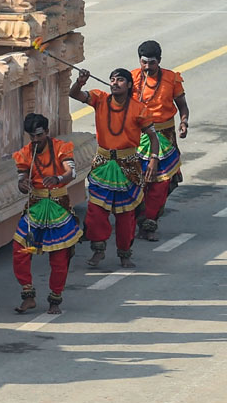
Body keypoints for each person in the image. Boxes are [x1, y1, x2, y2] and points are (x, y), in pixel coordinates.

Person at [69, 67, 162, 268]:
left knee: (126, 214)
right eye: (112, 79)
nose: (115, 83)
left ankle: (125, 254)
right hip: (102, 164)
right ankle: (98, 250)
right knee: (96, 211)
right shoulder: (99, 99)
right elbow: (74, 94)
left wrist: (153, 159)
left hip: (127, 166)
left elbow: (153, 138)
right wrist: (80, 82)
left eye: (120, 80)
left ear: (129, 85)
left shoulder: (139, 109)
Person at [11, 114, 81, 315]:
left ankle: (55, 299)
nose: (35, 140)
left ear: (47, 132)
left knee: (59, 256)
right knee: (20, 249)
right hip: (35, 207)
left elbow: (71, 173)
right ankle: (28, 294)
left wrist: (58, 177)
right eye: (31, 136)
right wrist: (22, 184)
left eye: (39, 135)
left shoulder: (61, 148)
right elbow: (22, 180)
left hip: (59, 207)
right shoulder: (25, 153)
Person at [131, 41, 188, 241]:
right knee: (137, 182)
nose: (147, 67)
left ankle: (150, 223)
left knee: (161, 183)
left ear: (159, 62)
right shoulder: (131, 78)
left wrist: (184, 122)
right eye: (144, 62)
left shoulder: (171, 79)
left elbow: (182, 106)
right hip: (137, 138)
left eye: (152, 63)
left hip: (164, 137)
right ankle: (138, 221)